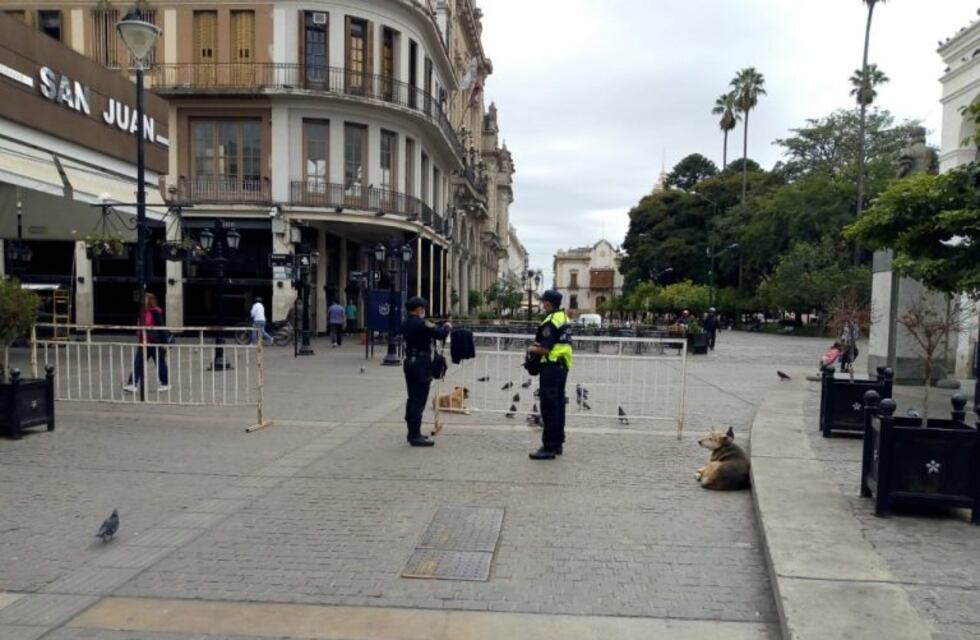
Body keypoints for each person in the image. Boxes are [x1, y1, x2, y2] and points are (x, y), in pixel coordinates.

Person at [526, 289, 573, 460]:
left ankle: (549, 447)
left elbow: (545, 348)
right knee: (559, 405)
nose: (542, 304)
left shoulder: (551, 321)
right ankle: (558, 443)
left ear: (548, 303)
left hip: (551, 366)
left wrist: (530, 348)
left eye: (544, 301)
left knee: (549, 407)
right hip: (562, 366)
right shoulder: (564, 318)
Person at [401, 296, 451, 446]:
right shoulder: (422, 323)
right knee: (419, 400)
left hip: (409, 362)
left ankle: (412, 431)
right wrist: (448, 326)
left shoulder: (405, 323)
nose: (424, 311)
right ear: (419, 309)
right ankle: (414, 435)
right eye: (423, 308)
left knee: (412, 398)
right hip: (421, 365)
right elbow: (440, 334)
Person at [123, 292, 170, 393]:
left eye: (144, 299)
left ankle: (165, 383)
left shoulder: (155, 312)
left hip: (154, 342)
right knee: (138, 363)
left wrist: (164, 342)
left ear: (149, 301)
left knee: (160, 363)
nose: (142, 301)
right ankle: (133, 383)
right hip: (144, 342)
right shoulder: (143, 312)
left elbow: (161, 328)